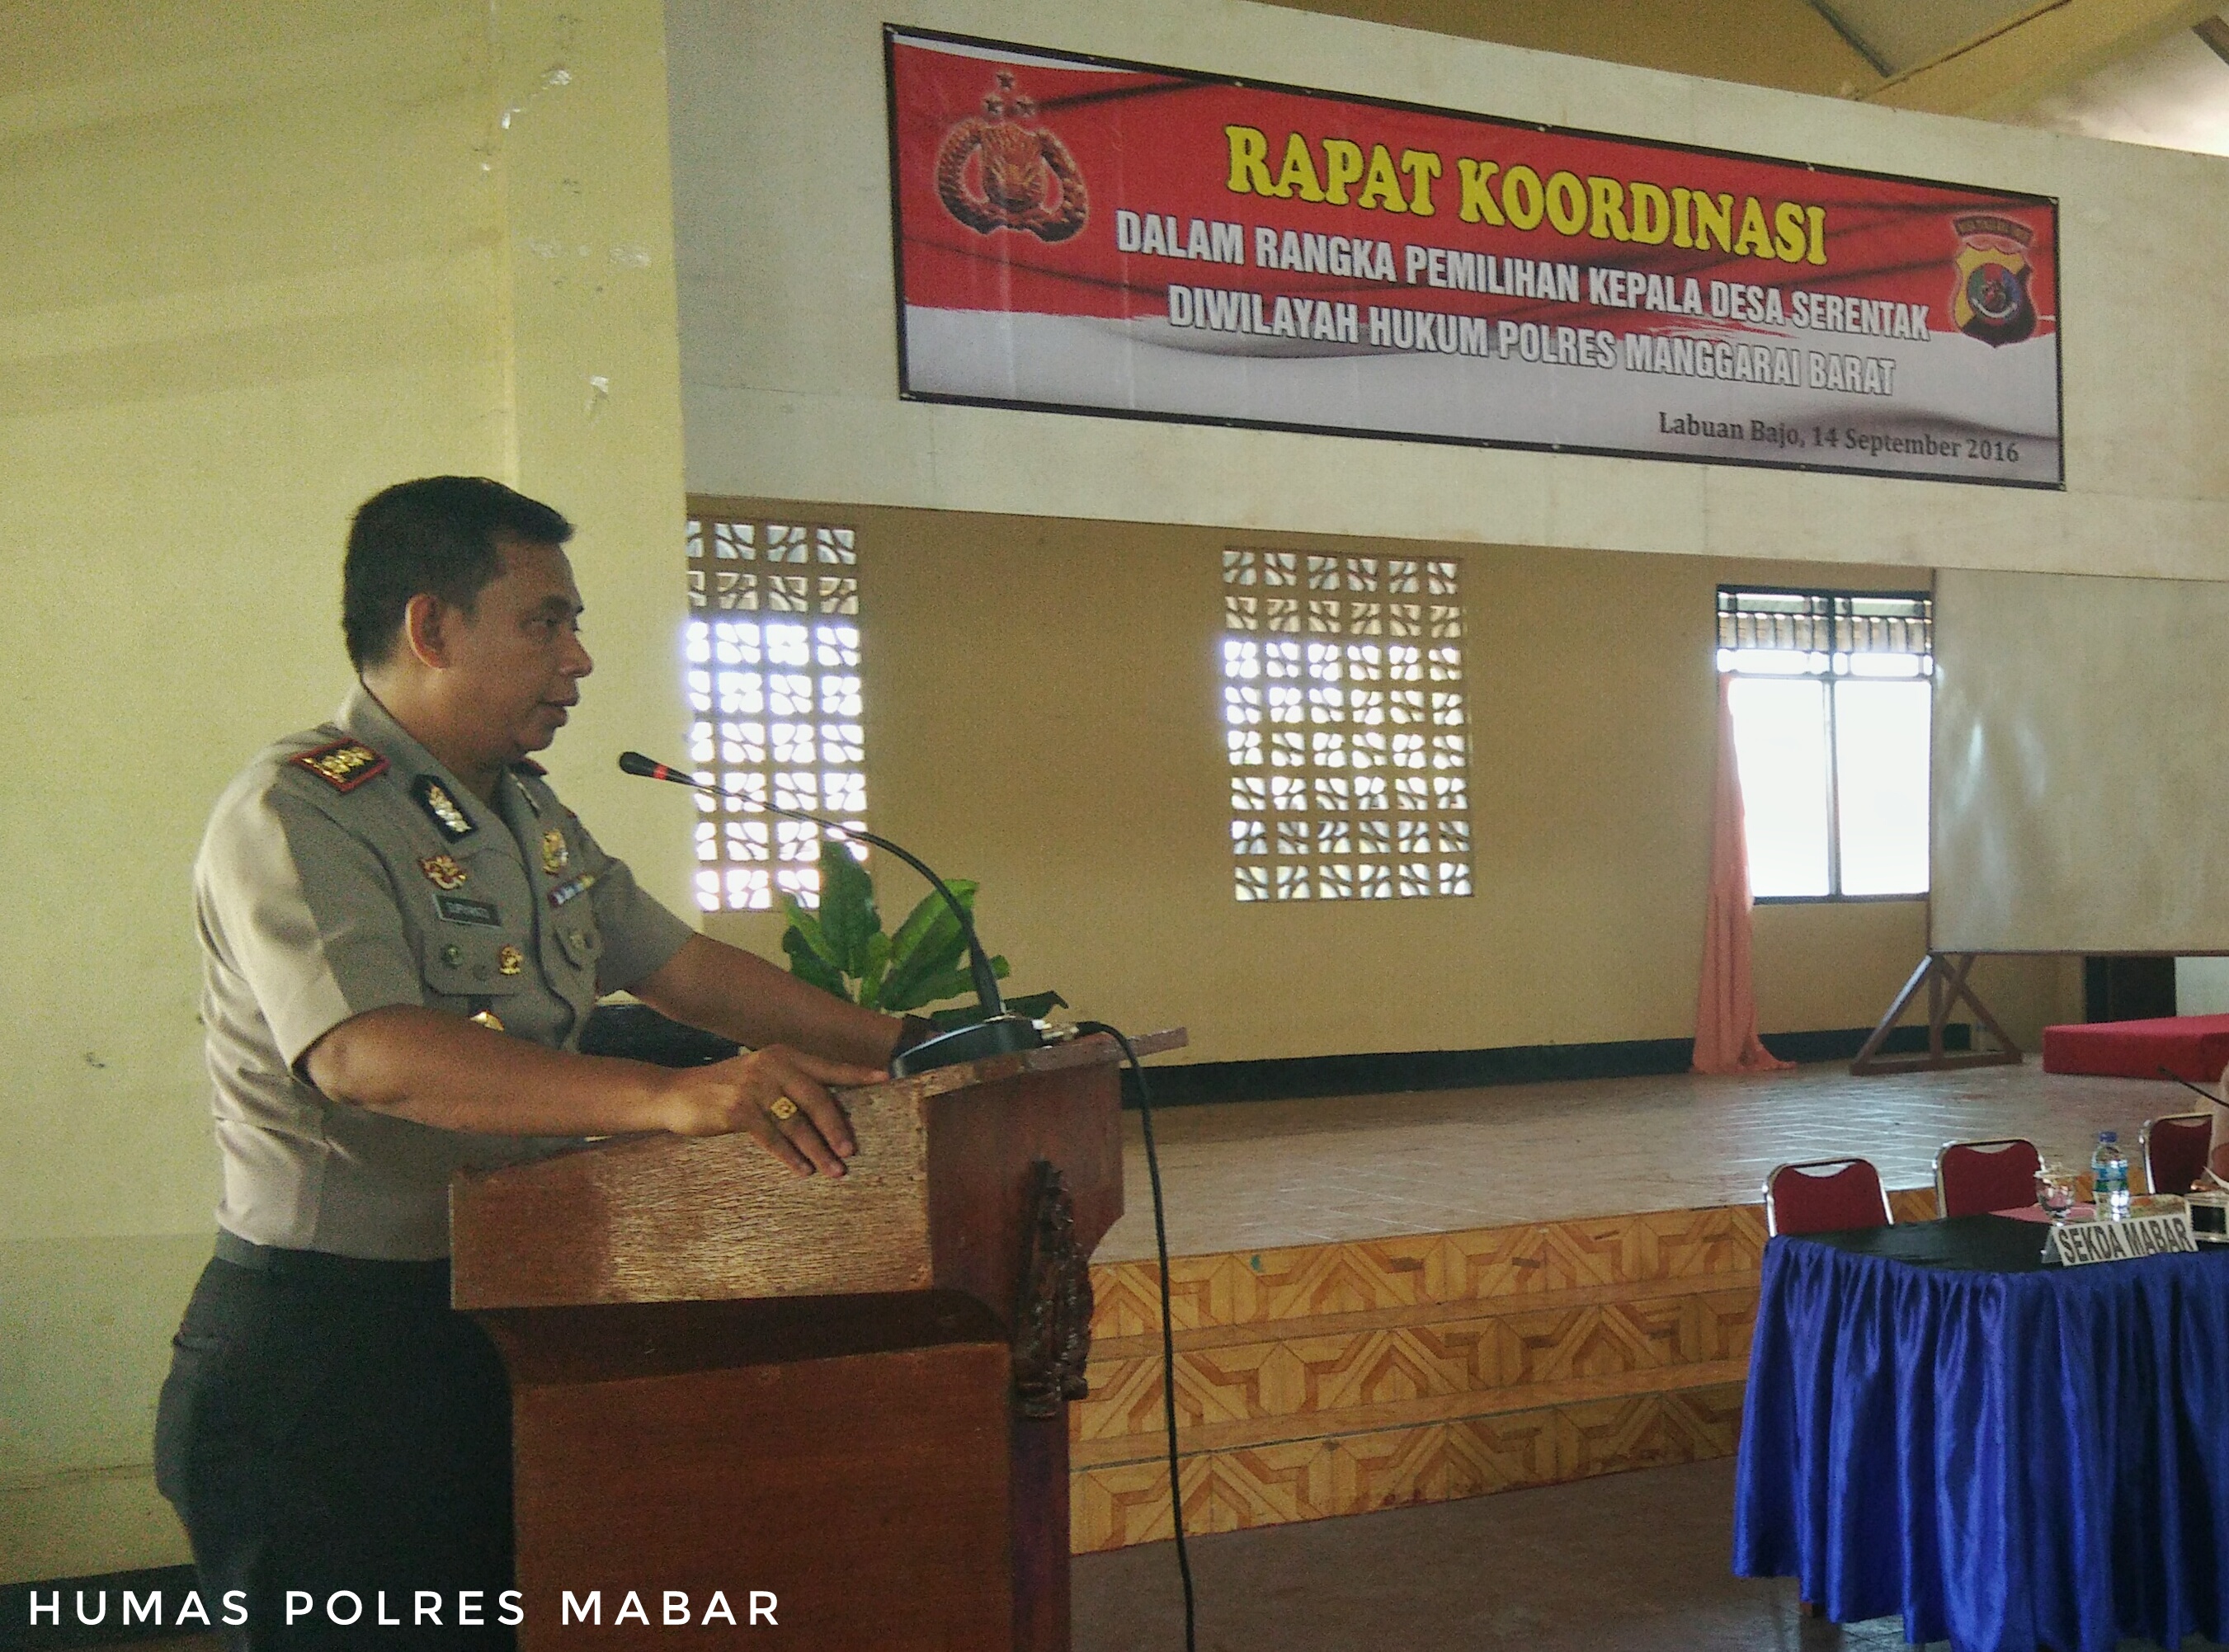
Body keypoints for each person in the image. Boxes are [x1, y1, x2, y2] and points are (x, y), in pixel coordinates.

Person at [155, 477, 920, 1648]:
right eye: (544, 622)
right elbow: (367, 1055)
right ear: (429, 627)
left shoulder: (524, 813)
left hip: (506, 1318)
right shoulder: (303, 809)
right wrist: (670, 1097)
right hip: (334, 1357)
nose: (578, 660)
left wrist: (915, 1049)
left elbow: (679, 968)